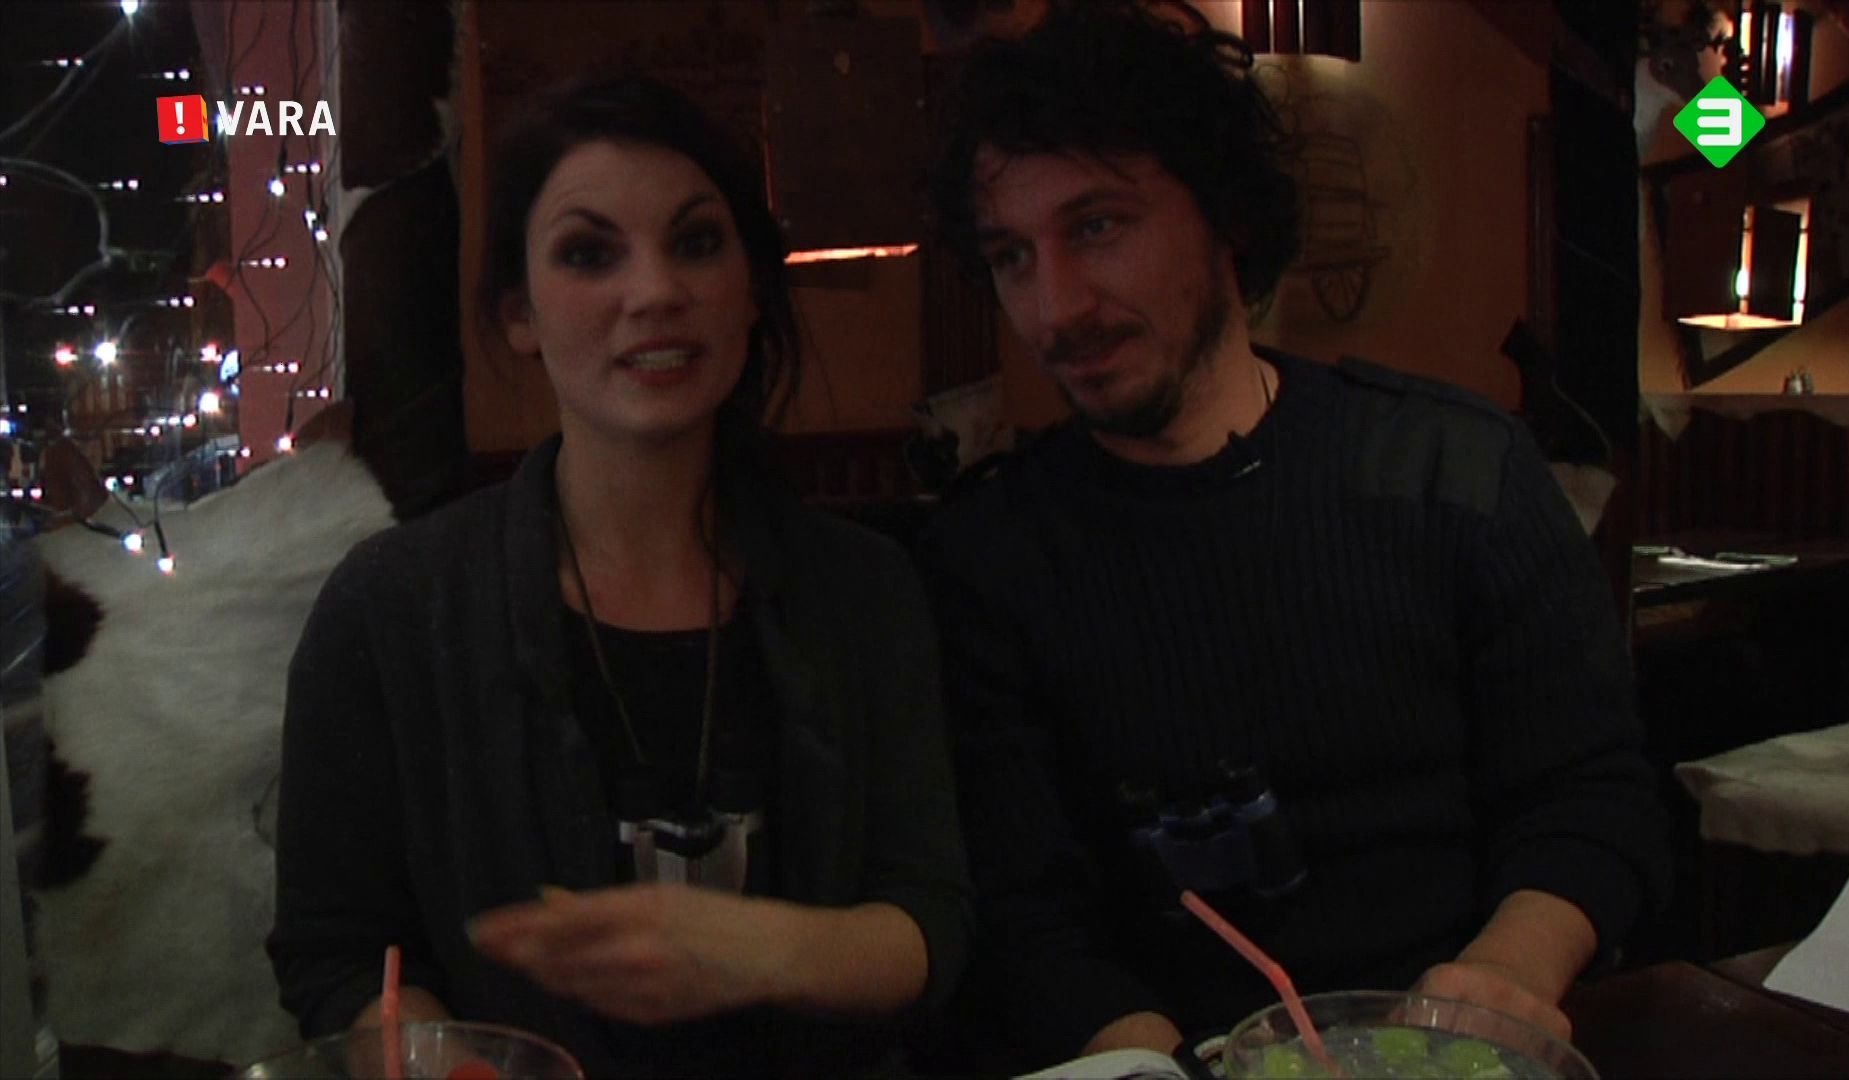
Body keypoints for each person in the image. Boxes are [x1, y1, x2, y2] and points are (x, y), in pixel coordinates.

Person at [919, 2, 1669, 1069]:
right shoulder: (991, 555)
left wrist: (1501, 980)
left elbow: (1591, 792)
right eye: (1011, 256)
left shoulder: (1457, 470)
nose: (1055, 308)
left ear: (1225, 215)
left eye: (1097, 227)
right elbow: (1024, 910)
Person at [267, 71, 970, 1078]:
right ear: (520, 312)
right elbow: (338, 957)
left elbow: (932, 920)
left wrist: (754, 950)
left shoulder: (868, 590)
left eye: (697, 243)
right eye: (590, 254)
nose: (655, 293)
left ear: (751, 289)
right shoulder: (390, 609)